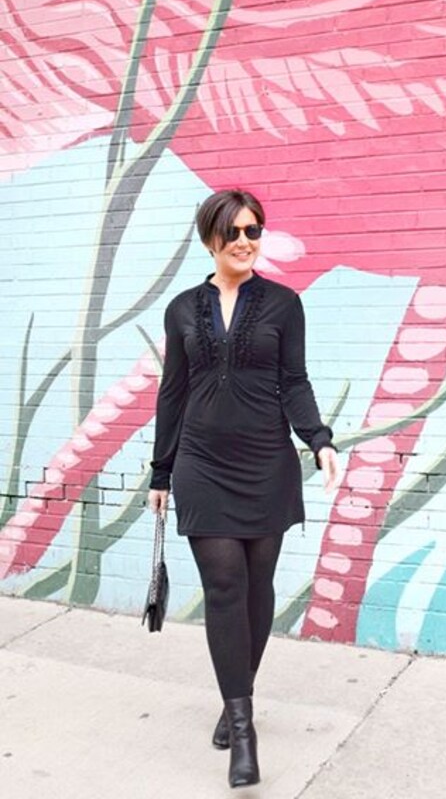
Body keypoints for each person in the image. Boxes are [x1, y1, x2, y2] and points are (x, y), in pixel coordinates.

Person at [147, 188, 340, 789]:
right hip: (202, 464)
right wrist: (160, 471)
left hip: (266, 463)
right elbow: (173, 392)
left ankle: (237, 693)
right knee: (225, 585)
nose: (244, 241)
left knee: (258, 590)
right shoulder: (182, 309)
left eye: (253, 230)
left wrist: (320, 440)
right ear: (210, 237)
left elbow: (294, 382)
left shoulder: (283, 304)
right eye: (232, 231)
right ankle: (243, 728)